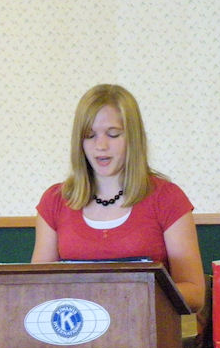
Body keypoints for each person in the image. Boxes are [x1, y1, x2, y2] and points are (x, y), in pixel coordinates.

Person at [31, 84, 205, 312]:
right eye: (90, 136)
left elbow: (195, 294)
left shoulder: (167, 198)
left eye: (113, 134)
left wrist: (125, 296)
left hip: (146, 330)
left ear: (133, 137)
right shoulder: (54, 201)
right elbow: (36, 288)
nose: (101, 146)